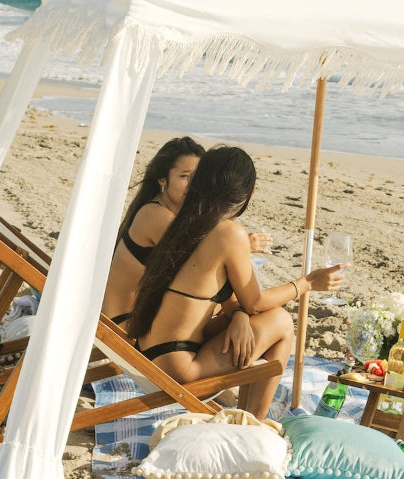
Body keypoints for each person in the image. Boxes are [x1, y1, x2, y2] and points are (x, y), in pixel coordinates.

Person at [127, 145, 347, 419]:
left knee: (266, 319)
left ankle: (247, 419)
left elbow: (227, 299)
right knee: (280, 322)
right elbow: (255, 302)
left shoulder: (188, 221)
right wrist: (307, 283)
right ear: (249, 194)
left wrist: (240, 315)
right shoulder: (229, 233)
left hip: (150, 353)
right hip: (178, 367)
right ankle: (251, 423)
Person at [102, 136, 270, 327]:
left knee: (250, 320)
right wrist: (242, 246)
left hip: (147, 320)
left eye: (196, 177)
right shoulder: (156, 215)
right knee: (263, 320)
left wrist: (238, 312)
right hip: (126, 326)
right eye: (184, 176)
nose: (192, 185)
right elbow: (204, 264)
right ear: (162, 180)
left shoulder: (175, 216)